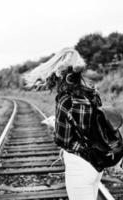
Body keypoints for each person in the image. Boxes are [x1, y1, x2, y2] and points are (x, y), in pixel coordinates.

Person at [23, 47, 103, 200]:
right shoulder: (92, 91)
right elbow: (92, 125)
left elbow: (63, 139)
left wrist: (54, 124)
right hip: (97, 163)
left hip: (80, 165)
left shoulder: (65, 98)